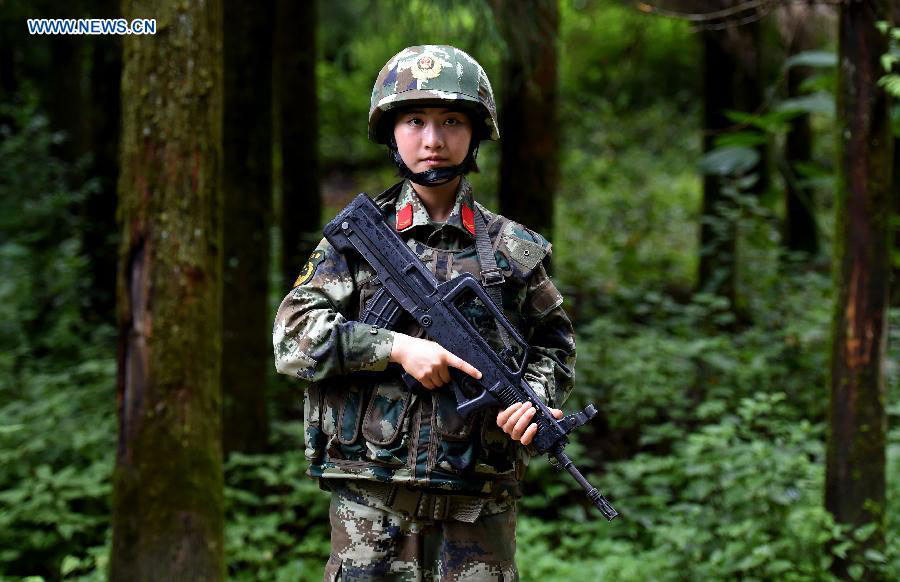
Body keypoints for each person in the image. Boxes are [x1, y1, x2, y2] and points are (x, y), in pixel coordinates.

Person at [273, 45, 576, 581]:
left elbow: (554, 347)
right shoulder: (357, 243)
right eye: (415, 121)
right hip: (372, 504)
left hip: (477, 508)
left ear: (474, 133)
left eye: (451, 122)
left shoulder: (514, 252)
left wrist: (536, 402)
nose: (432, 140)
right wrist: (395, 348)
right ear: (392, 132)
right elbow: (291, 339)